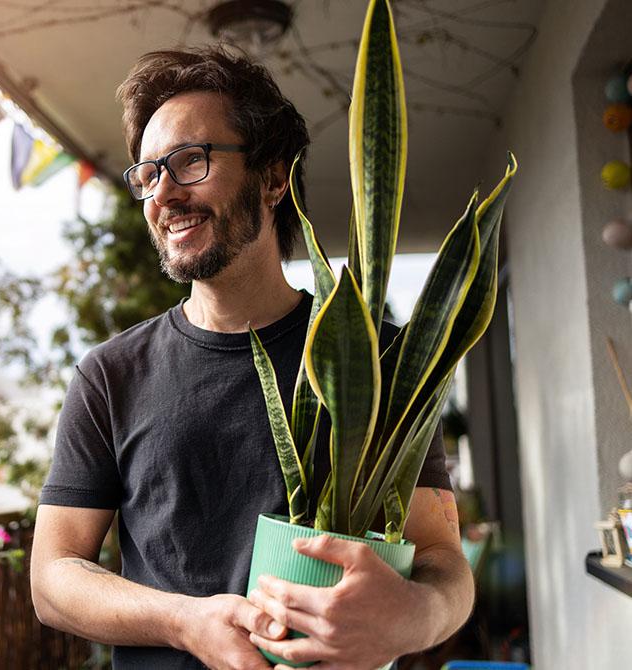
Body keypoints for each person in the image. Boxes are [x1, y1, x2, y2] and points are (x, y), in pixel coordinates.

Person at [30, 48, 474, 670]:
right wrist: (186, 622)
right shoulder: (110, 375)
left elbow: (442, 559)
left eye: (191, 161)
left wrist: (414, 615)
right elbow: (53, 578)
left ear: (272, 177)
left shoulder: (378, 360)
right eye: (149, 173)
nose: (164, 194)